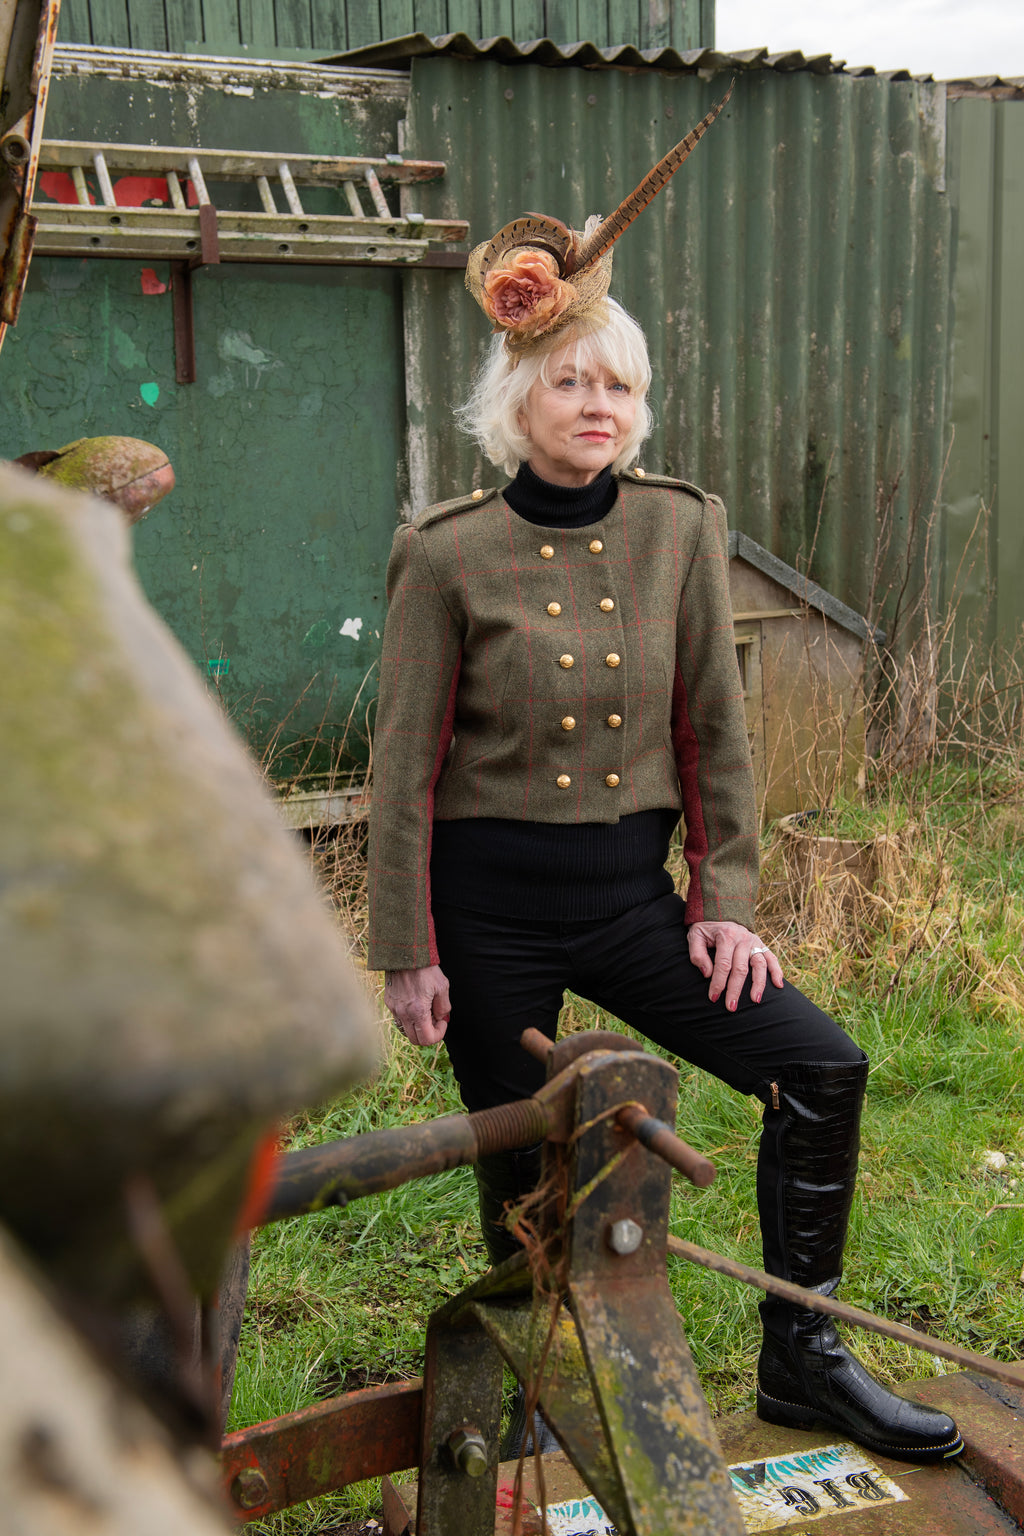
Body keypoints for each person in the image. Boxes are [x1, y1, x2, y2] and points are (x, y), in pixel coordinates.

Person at [366, 90, 962, 1466]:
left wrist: (727, 899)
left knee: (820, 1065)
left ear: (640, 408)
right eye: (570, 379)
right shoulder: (445, 554)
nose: (597, 404)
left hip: (634, 904)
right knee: (519, 1167)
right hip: (489, 910)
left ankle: (804, 1354)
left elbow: (716, 729)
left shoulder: (682, 528)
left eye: (618, 384)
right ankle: (532, 1377)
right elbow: (401, 770)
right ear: (519, 398)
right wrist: (409, 948)